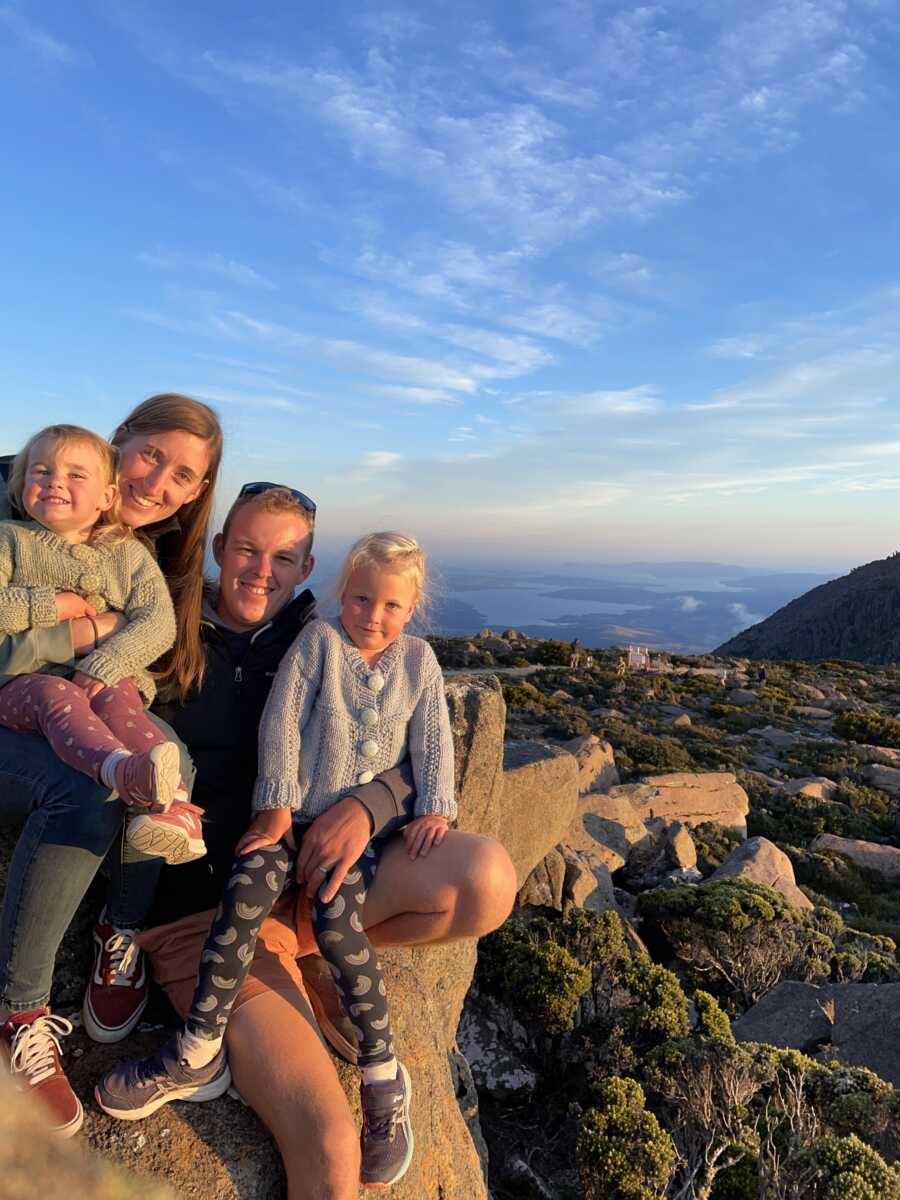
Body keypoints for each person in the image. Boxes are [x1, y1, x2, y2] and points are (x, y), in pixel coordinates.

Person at [92, 485, 517, 1199]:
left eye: (283, 557)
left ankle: (320, 951)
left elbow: (413, 740)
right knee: (328, 1147)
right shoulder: (161, 635)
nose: (262, 570)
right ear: (220, 549)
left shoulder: (322, 638)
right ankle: (232, 1032)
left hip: (305, 882)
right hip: (202, 917)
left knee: (490, 878)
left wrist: (367, 804)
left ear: (307, 567)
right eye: (248, 550)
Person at [0, 394, 223, 1137]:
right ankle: (19, 1011)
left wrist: (105, 657)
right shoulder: (22, 501)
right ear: (116, 442)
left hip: (83, 694)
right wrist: (76, 616)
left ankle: (118, 932)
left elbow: (155, 633)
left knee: (166, 755)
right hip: (14, 696)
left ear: (196, 495)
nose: (158, 481)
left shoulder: (138, 555)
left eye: (182, 475)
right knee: (83, 796)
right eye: (150, 454)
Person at [0, 424, 203, 862]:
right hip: (18, 686)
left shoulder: (126, 554)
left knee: (121, 701)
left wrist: (104, 665)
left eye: (76, 475)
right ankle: (118, 769)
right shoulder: (9, 540)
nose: (55, 481)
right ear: (21, 486)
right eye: (41, 471)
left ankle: (175, 807)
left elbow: (158, 621)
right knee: (54, 693)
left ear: (106, 497)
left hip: (101, 673)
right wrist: (48, 605)